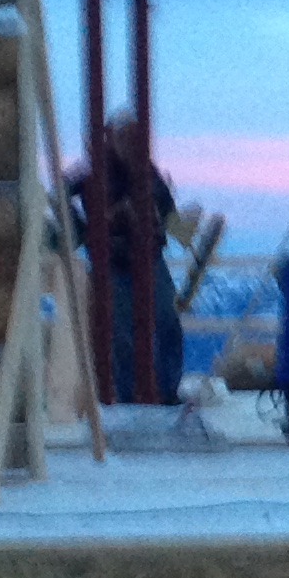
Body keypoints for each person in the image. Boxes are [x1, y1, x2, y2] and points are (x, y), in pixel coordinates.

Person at [65, 112, 186, 405]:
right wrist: (83, 230)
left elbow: (167, 207)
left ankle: (167, 391)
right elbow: (59, 193)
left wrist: (172, 225)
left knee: (167, 320)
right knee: (121, 334)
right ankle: (128, 395)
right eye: (125, 137)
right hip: (113, 261)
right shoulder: (90, 172)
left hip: (149, 257)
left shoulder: (146, 169)